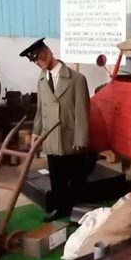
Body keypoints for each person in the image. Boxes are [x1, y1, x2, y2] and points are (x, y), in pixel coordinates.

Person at [20, 38, 91, 222]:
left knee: (76, 177)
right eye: (35, 60)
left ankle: (79, 212)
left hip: (70, 137)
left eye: (40, 57)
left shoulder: (77, 79)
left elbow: (82, 112)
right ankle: (61, 208)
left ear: (49, 52)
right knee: (56, 176)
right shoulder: (42, 79)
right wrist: (36, 132)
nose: (38, 62)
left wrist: (80, 139)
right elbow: (40, 109)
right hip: (51, 136)